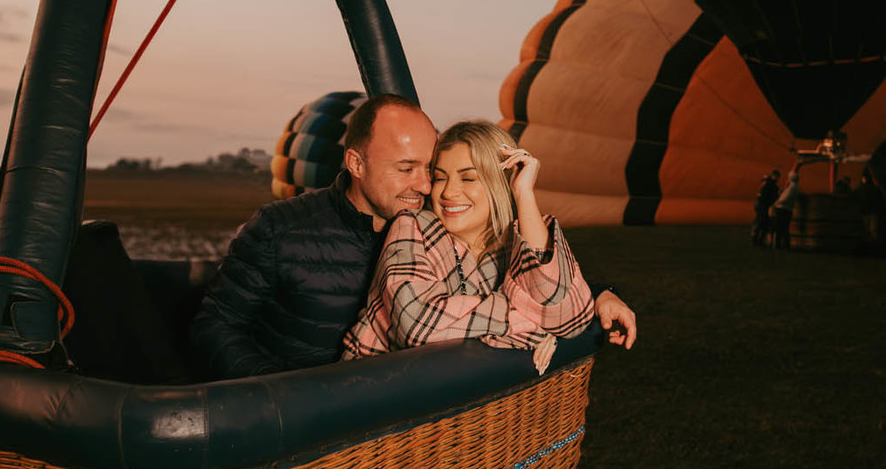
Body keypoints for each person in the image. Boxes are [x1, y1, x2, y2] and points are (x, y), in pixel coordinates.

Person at [191, 95, 636, 377]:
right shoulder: (279, 230)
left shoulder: (436, 222)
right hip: (301, 409)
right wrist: (280, 398)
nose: (428, 187)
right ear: (356, 164)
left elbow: (509, 265)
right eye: (408, 170)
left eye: (430, 169)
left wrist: (597, 295)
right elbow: (216, 326)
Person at [343, 120, 593, 373]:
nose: (449, 192)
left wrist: (524, 194)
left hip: (466, 394)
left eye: (468, 178)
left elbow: (569, 318)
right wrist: (531, 322)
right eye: (440, 178)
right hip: (372, 388)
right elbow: (418, 326)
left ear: (501, 182)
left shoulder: (515, 240)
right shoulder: (414, 225)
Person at [772, 165, 801, 249]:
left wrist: (777, 202)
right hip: (787, 209)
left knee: (780, 228)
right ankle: (784, 245)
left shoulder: (792, 188)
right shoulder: (794, 187)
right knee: (784, 228)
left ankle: (779, 245)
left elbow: (785, 197)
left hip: (782, 209)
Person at [752, 169, 780, 246]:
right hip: (762, 205)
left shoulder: (766, 182)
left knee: (762, 222)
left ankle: (758, 239)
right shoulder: (770, 184)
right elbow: (768, 195)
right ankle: (756, 240)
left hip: (761, 204)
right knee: (762, 222)